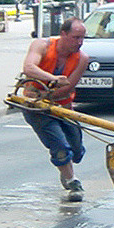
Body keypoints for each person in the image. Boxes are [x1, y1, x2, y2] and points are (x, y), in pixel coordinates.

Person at [21, 17, 90, 202]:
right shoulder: (41, 45)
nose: (80, 42)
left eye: (83, 38)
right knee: (59, 145)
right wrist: (52, 79)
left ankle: (67, 165)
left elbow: (69, 86)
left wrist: (51, 92)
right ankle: (71, 180)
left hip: (63, 107)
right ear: (63, 34)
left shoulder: (82, 59)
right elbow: (29, 67)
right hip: (36, 108)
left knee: (76, 149)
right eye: (75, 37)